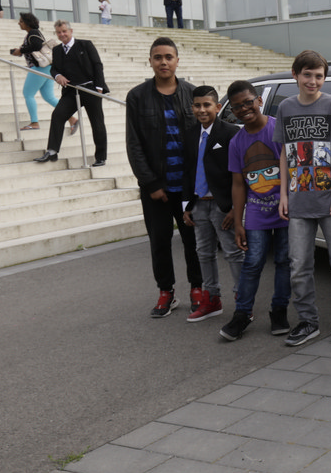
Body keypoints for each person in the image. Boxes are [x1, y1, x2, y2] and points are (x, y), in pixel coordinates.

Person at [275, 50, 331, 347]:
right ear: (295, 75)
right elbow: (284, 154)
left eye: (319, 76)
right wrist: (283, 195)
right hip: (298, 202)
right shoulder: (285, 107)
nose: (313, 80)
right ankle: (307, 321)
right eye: (307, 74)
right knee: (299, 266)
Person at [125, 38, 202, 318]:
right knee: (159, 242)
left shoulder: (192, 94)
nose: (164, 62)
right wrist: (151, 183)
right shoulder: (137, 96)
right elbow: (134, 144)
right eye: (158, 57)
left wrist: (198, 185)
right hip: (156, 189)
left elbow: (200, 141)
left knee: (193, 242)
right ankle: (166, 292)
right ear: (150, 61)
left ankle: (198, 289)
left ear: (177, 60)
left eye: (169, 57)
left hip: (187, 189)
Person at [219, 81, 291, 341]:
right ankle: (242, 314)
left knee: (284, 261)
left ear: (259, 100)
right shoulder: (237, 142)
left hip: (285, 210)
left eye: (248, 102)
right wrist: (239, 222)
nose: (244, 109)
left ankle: (279, 311)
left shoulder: (278, 129)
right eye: (237, 107)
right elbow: (238, 184)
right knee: (252, 263)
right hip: (257, 214)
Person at [181, 86, 244, 323]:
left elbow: (239, 173)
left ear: (217, 107)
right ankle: (212, 298)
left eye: (207, 105)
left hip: (223, 205)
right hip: (199, 204)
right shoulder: (189, 134)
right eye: (197, 105)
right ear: (192, 108)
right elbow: (187, 170)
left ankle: (243, 301)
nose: (202, 110)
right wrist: (187, 205)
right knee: (204, 253)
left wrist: (235, 208)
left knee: (233, 252)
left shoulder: (231, 133)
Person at [33, 20, 107, 165]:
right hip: (71, 92)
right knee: (58, 115)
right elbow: (54, 68)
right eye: (59, 32)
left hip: (90, 89)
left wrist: (99, 88)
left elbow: (97, 65)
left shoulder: (85, 45)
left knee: (97, 123)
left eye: (64, 31)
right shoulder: (57, 50)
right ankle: (52, 151)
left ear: (71, 31)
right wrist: (57, 76)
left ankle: (101, 157)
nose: (62, 34)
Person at [9, 13, 71, 132]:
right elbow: (34, 48)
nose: (19, 23)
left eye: (21, 21)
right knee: (49, 97)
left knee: (28, 94)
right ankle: (71, 119)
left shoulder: (33, 33)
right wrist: (19, 51)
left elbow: (37, 46)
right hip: (47, 67)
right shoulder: (33, 33)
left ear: (27, 23)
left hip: (40, 67)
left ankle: (34, 122)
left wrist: (21, 50)